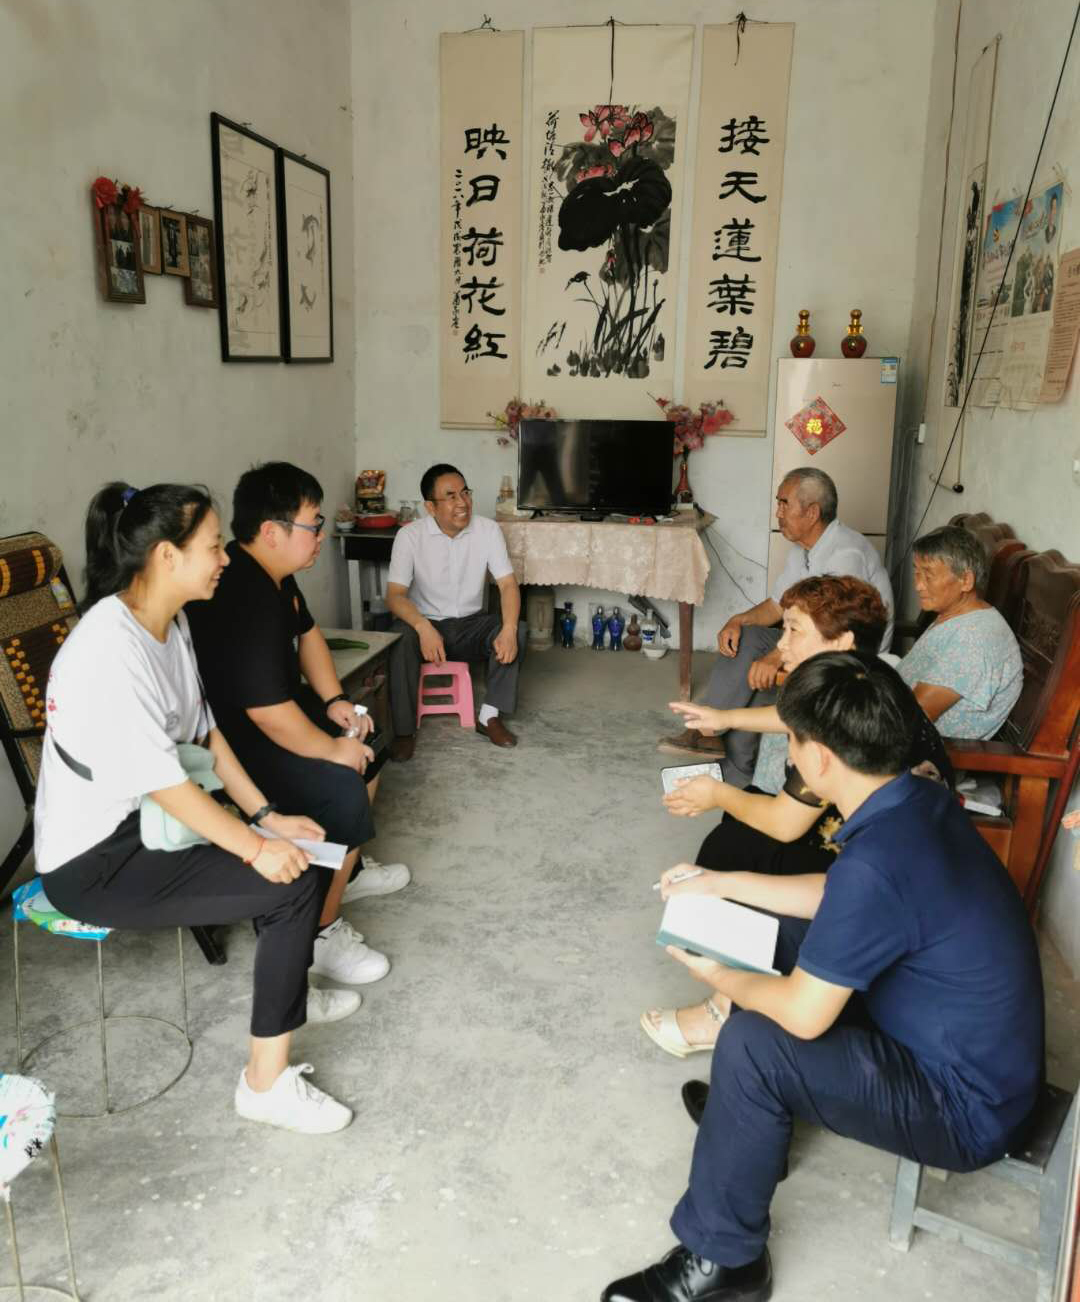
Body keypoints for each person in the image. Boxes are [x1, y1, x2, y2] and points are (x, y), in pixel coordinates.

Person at [603, 653, 1044, 1302]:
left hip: (967, 1106)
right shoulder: (913, 798)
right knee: (777, 934)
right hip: (963, 1048)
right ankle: (751, 1130)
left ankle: (726, 1261)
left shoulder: (881, 857)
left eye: (793, 739)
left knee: (754, 1046)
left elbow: (804, 1015)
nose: (790, 752)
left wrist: (717, 971)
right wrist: (721, 882)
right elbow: (841, 894)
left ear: (820, 758)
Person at [34, 482, 354, 1134]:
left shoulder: (169, 623)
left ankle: (287, 988)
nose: (225, 559)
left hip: (149, 825)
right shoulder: (108, 650)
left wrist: (266, 818)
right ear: (166, 556)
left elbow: (207, 735)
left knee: (295, 848)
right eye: (213, 547)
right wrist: (258, 848)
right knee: (290, 886)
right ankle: (263, 1086)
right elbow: (167, 785)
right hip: (95, 859)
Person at [642, 576, 951, 1059]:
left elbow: (786, 824)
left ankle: (726, 1008)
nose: (780, 644)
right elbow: (794, 714)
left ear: (842, 642)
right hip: (891, 828)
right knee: (737, 833)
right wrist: (726, 719)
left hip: (882, 856)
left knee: (736, 846)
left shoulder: (842, 708)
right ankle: (734, 992)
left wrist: (717, 793)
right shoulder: (861, 674)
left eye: (794, 630)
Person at [186, 462, 409, 994]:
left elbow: (308, 635)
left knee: (367, 743)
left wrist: (335, 702)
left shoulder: (275, 574)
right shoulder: (244, 595)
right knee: (343, 785)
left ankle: (347, 871)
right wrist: (330, 751)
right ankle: (321, 933)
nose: (322, 535)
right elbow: (265, 714)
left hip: (280, 712)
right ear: (272, 531)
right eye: (314, 524)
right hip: (237, 740)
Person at [660, 467, 893, 789]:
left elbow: (829, 631)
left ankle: (714, 739)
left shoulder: (845, 554)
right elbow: (777, 606)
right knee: (747, 647)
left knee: (758, 663)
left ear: (812, 513)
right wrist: (738, 619)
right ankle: (733, 768)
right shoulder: (805, 548)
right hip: (813, 641)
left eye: (784, 503)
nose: (778, 513)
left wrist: (774, 656)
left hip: (849, 655)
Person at [385, 463, 527, 760]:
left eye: (465, 493)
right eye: (450, 496)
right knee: (399, 637)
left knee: (517, 628)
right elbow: (395, 596)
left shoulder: (488, 530)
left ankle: (489, 716)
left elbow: (507, 585)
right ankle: (403, 731)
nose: (462, 502)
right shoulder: (409, 536)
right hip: (424, 626)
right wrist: (423, 627)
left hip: (470, 626)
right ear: (430, 507)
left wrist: (509, 629)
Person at [898, 525, 1022, 738]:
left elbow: (910, 717)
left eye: (928, 576)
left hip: (924, 747)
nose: (918, 585)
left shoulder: (973, 640)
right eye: (917, 572)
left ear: (966, 580)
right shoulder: (955, 614)